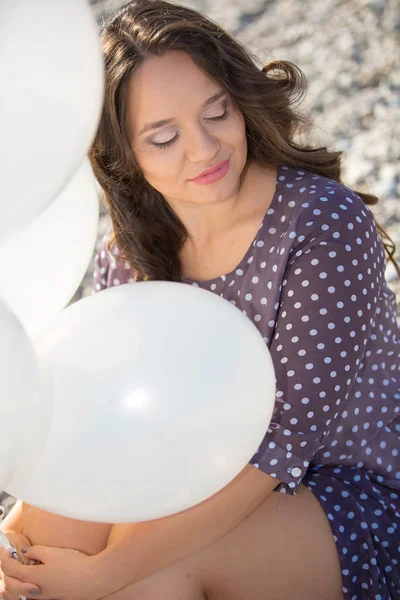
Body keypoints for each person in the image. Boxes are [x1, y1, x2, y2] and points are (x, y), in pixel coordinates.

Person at [1, 0, 399, 598]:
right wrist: (23, 527)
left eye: (218, 112)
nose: (205, 149)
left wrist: (109, 569)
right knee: (44, 542)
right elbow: (100, 413)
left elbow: (284, 447)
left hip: (342, 488)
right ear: (125, 156)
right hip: (196, 471)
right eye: (164, 137)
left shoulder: (320, 224)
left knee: (150, 578)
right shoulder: (128, 253)